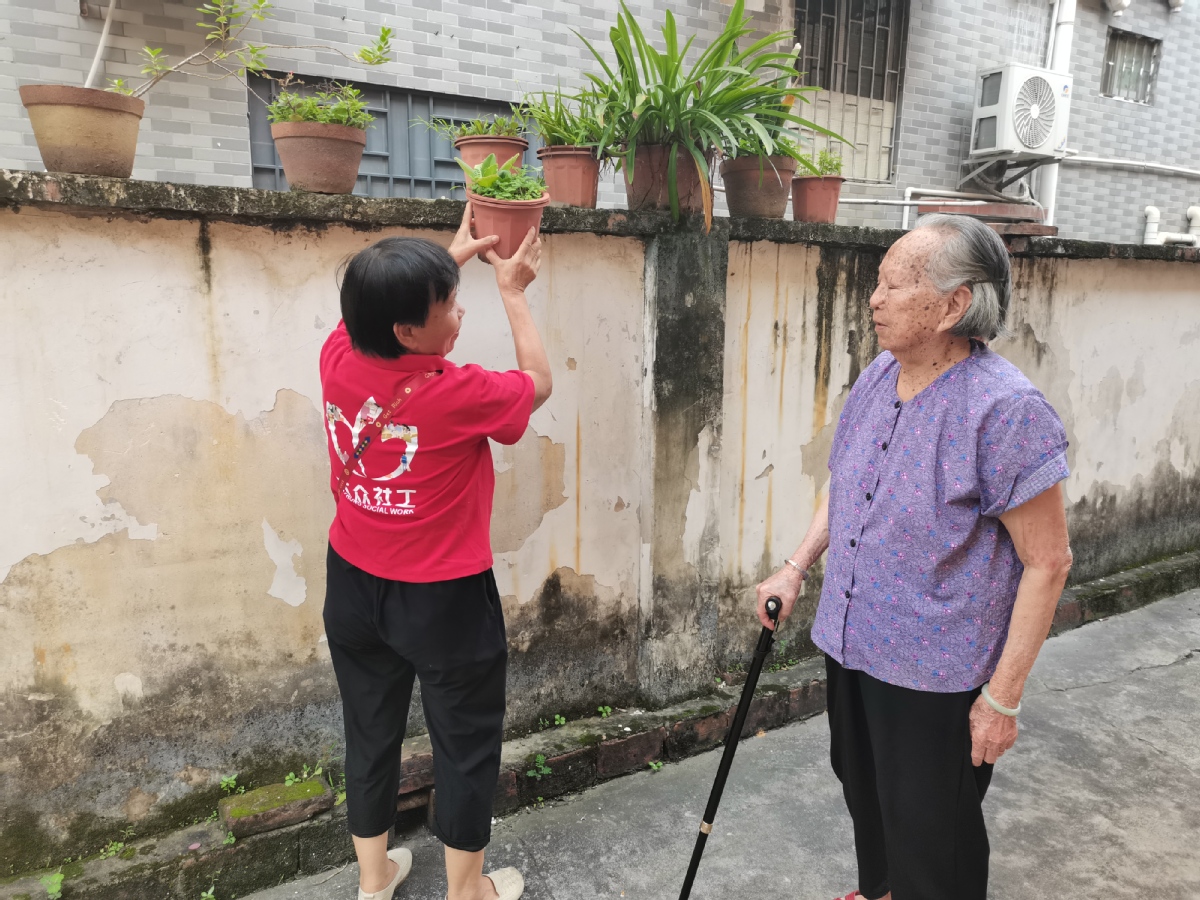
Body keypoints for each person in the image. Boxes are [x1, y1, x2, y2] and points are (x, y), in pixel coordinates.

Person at [755, 214, 1074, 900]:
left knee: (933, 833)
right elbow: (848, 482)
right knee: (864, 790)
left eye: (895, 285)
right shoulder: (881, 374)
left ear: (955, 304)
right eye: (878, 282)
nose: (875, 299)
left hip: (936, 675)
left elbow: (1049, 561)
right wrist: (796, 565)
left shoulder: (1005, 410)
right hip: (853, 643)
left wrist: (1003, 699)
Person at [320, 204, 551, 900]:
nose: (459, 313)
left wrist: (440, 262)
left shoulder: (338, 356)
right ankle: (466, 891)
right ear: (406, 330)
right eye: (448, 306)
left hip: (352, 583)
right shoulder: (458, 392)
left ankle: (373, 878)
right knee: (464, 740)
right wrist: (512, 292)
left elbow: (368, 314)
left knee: (369, 729)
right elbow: (538, 384)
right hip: (442, 599)